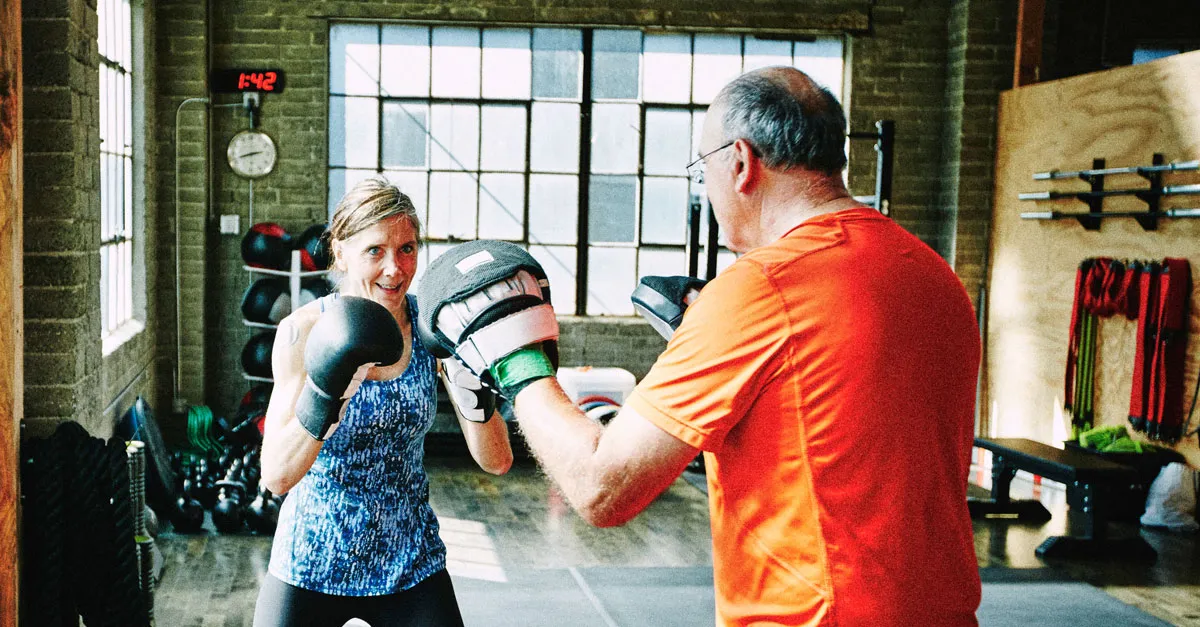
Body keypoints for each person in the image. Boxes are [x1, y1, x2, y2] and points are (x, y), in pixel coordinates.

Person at [424, 67, 982, 626]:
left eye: (702, 167)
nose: (706, 185)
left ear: (739, 162)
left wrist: (514, 359)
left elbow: (601, 488)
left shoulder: (762, 288)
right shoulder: (932, 273)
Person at [253, 177, 513, 627]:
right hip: (312, 556)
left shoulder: (434, 326)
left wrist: (475, 377)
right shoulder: (302, 332)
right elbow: (276, 477)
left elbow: (497, 461)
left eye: (408, 249)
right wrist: (327, 390)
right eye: (375, 250)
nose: (395, 268)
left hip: (409, 559)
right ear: (341, 250)